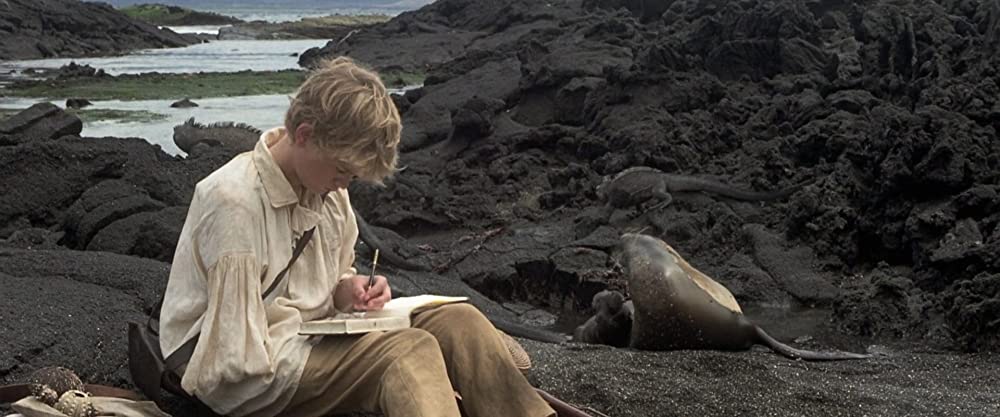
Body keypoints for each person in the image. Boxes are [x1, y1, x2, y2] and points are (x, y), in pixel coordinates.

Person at [157, 56, 557, 417]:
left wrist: (349, 292)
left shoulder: (328, 189)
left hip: (301, 338)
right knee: (407, 352)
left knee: (460, 320)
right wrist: (363, 356)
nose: (344, 183)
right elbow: (233, 354)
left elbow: (332, 280)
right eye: (342, 170)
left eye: (352, 175)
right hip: (233, 365)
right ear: (304, 134)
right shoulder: (234, 201)